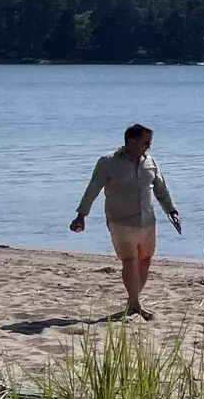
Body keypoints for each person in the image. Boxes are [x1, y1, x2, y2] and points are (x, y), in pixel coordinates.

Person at [70, 122, 181, 320]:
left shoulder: (151, 162)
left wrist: (171, 210)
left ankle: (132, 303)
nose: (149, 146)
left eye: (150, 142)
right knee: (129, 260)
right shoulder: (108, 162)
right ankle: (136, 305)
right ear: (131, 142)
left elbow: (161, 190)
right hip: (120, 221)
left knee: (145, 261)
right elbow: (92, 189)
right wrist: (81, 215)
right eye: (145, 142)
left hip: (147, 221)